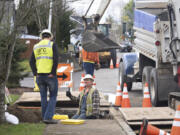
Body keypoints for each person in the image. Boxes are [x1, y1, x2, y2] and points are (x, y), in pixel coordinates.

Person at [29, 29, 59, 124]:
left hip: (40, 76)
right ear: (50, 37)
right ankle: (48, 118)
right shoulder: (52, 45)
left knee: (43, 97)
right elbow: (56, 59)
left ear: (42, 36)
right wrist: (53, 73)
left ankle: (44, 117)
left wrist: (35, 73)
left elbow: (31, 62)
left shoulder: (36, 46)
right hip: (50, 76)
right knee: (53, 96)